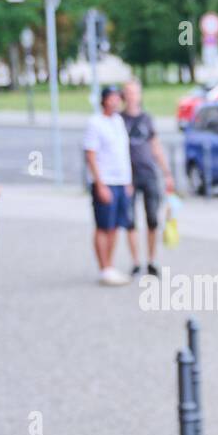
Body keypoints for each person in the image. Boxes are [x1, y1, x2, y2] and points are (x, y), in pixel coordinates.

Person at [119, 78, 175, 279]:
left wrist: (167, 173)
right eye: (128, 92)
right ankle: (135, 262)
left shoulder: (147, 119)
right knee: (130, 221)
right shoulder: (119, 120)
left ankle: (151, 261)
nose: (132, 96)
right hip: (128, 177)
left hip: (148, 174)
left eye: (135, 92)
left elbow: (156, 146)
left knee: (152, 219)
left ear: (140, 95)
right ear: (123, 95)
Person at [82, 85, 133, 286]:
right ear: (104, 100)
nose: (115, 101)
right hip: (105, 181)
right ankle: (104, 268)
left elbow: (123, 154)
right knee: (103, 225)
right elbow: (91, 156)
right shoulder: (95, 123)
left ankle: (110, 266)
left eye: (117, 98)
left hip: (121, 181)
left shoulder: (119, 121)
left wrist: (128, 181)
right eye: (111, 98)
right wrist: (99, 184)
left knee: (115, 226)